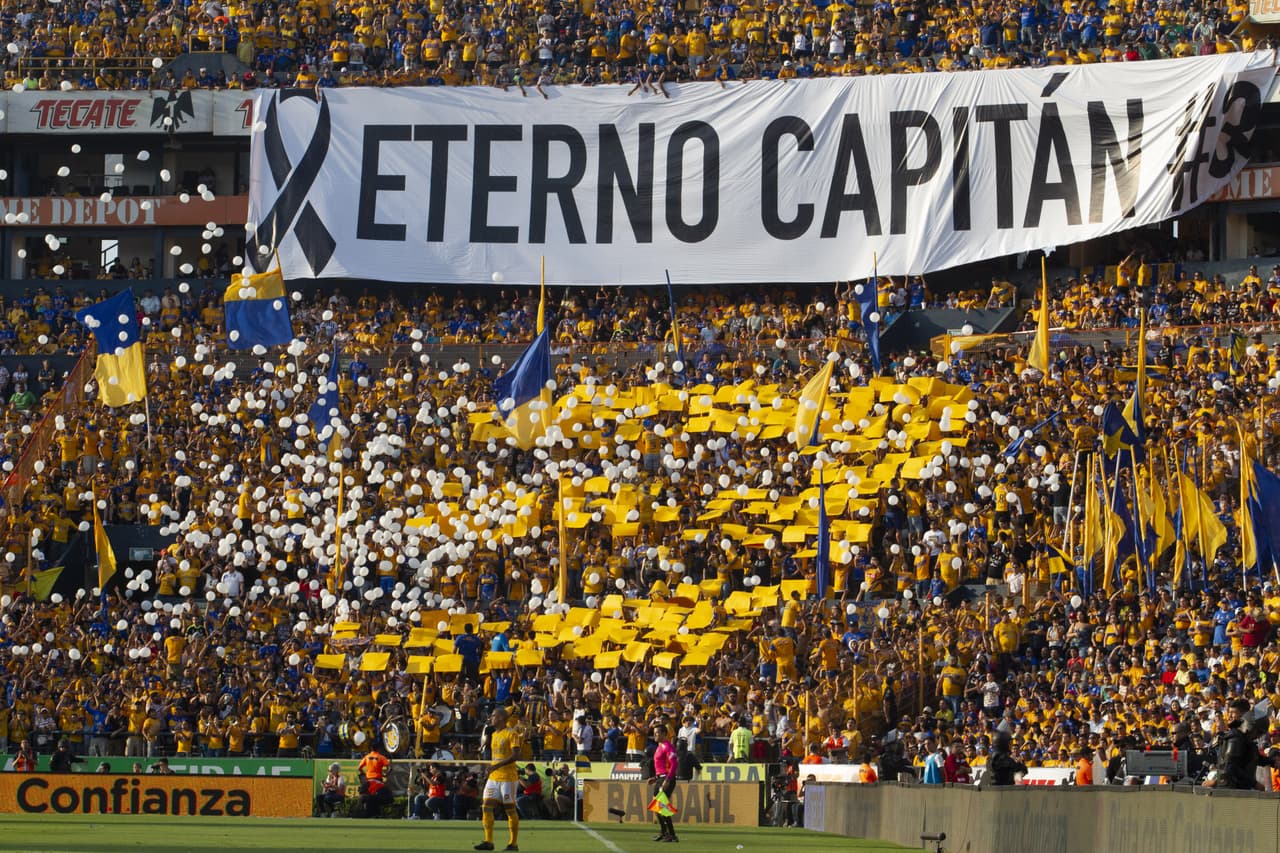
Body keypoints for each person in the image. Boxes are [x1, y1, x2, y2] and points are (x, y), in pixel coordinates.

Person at [475, 707, 521, 851]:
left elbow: (515, 755)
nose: (491, 718)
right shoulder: (494, 734)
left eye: (494, 715)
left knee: (510, 810)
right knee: (486, 807)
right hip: (494, 777)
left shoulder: (512, 733)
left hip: (508, 777)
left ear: (501, 718)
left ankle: (513, 843)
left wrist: (497, 766)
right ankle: (489, 841)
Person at [1206, 699, 1261, 790]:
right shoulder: (1235, 735)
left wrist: (1272, 761)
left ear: (1243, 715)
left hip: (1236, 788)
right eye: (1229, 712)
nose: (1229, 716)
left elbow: (1250, 757)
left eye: (1233, 712)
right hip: (1232, 788)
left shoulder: (1240, 735)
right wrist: (1255, 784)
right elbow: (1230, 766)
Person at [649, 724, 679, 842]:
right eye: (654, 732)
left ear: (663, 734)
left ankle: (672, 835)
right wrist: (655, 778)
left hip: (667, 780)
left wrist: (667, 780)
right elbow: (662, 766)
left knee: (662, 807)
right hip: (660, 778)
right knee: (657, 807)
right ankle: (664, 832)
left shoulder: (668, 747)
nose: (654, 735)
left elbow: (674, 764)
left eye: (657, 733)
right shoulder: (659, 746)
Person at [356, 744, 393, 817]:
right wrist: (385, 774)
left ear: (370, 749)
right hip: (378, 780)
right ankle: (376, 813)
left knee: (368, 797)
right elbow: (390, 767)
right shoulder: (381, 757)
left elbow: (359, 768)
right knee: (377, 797)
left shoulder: (367, 757)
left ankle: (369, 813)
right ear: (378, 749)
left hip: (368, 781)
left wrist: (365, 773)